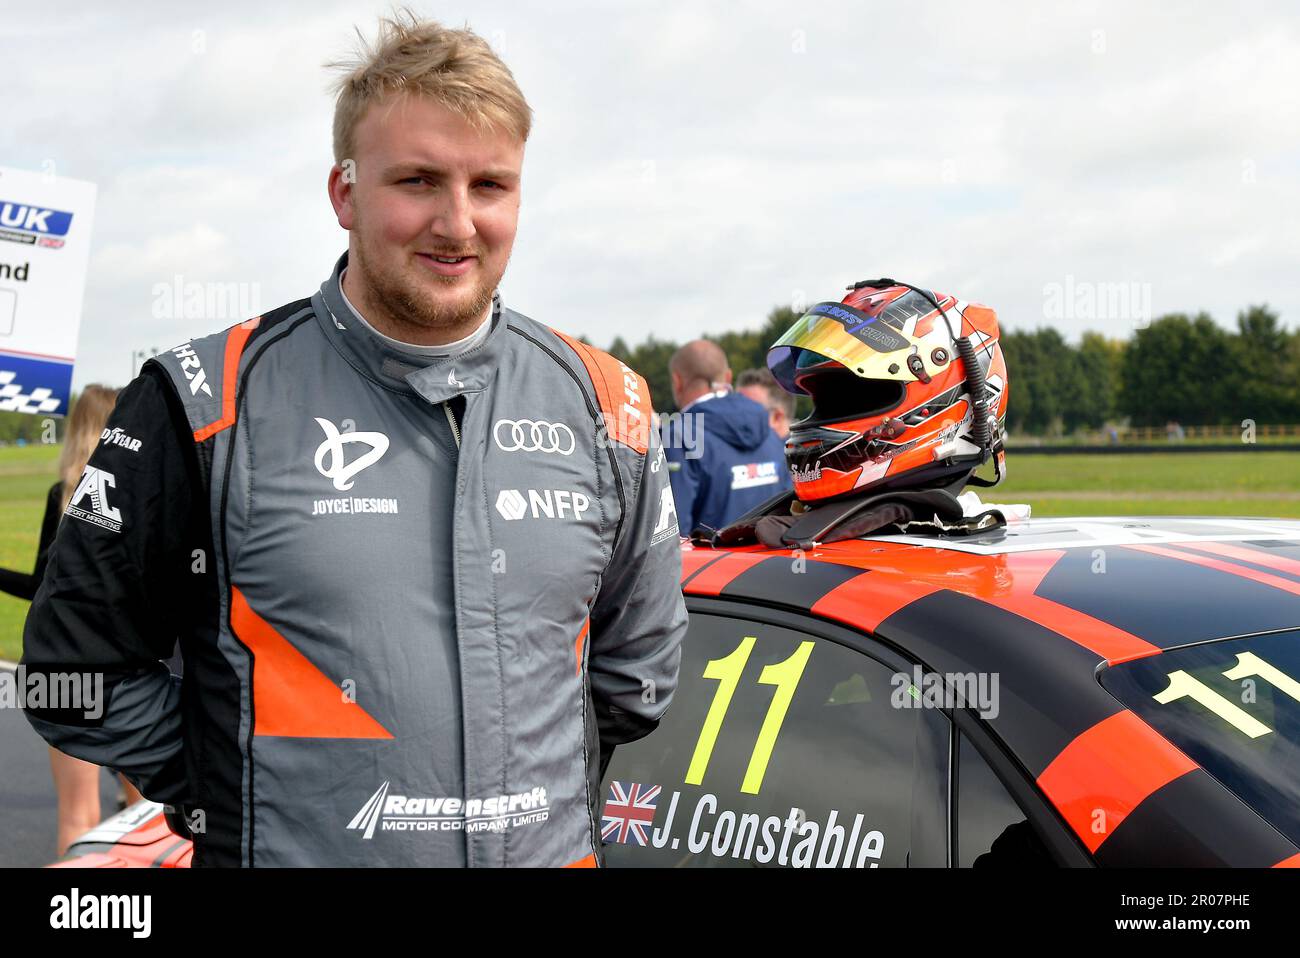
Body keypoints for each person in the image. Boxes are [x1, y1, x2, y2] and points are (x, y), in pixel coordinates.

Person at [21, 12, 686, 868]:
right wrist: (238, 789)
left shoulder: (608, 405)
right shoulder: (199, 399)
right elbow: (70, 673)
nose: (457, 223)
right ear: (343, 191)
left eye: (490, 186)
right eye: (417, 181)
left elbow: (636, 676)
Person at [0, 384, 144, 855]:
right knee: (144, 817)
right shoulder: (140, 492)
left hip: (62, 669)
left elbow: (41, 589)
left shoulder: (60, 495)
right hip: (132, 667)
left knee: (78, 819)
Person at [662, 340, 791, 536]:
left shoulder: (678, 436)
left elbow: (672, 536)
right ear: (728, 377)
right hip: (772, 562)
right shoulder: (768, 426)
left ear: (677, 381)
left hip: (711, 565)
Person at [736, 366, 795, 439]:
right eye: (734, 410)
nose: (736, 420)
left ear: (777, 418)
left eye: (747, 413)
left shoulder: (807, 448)